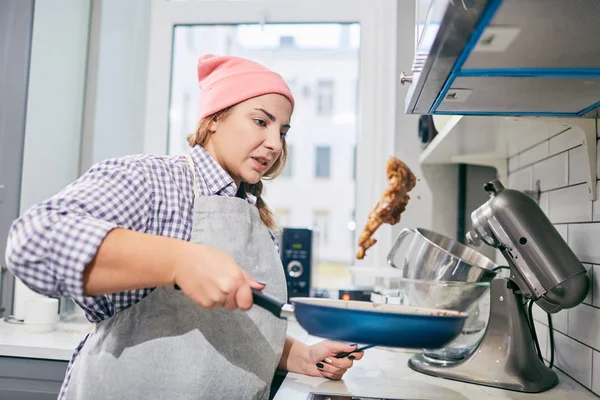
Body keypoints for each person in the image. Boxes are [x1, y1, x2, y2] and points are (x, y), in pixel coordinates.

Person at [5, 54, 364, 400]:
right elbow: (33, 241)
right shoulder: (154, 181)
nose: (274, 143)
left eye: (282, 131)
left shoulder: (253, 213)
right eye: (260, 121)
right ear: (214, 119)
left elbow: (229, 328)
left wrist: (300, 356)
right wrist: (179, 261)